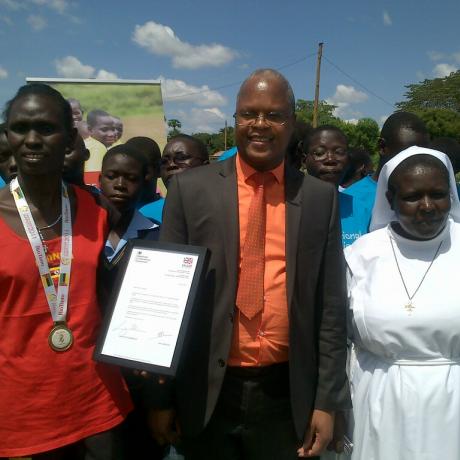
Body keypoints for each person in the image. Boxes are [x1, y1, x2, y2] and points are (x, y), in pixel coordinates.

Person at [154, 69, 350, 460]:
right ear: (236, 118)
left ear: (292, 124)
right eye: (248, 114)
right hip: (206, 389)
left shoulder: (318, 198)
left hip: (286, 392)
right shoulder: (190, 190)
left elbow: (330, 308)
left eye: (274, 115)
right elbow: (164, 300)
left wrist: (327, 402)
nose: (259, 125)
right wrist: (160, 396)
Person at [0, 83, 132, 459]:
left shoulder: (100, 212)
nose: (31, 140)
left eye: (45, 128)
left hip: (98, 406)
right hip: (21, 417)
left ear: (71, 138)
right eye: (19, 128)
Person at [345, 146, 460, 459]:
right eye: (412, 197)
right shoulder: (361, 254)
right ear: (390, 199)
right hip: (380, 401)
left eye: (438, 194)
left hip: (452, 404)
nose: (427, 207)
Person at [98, 144, 161, 459]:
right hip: (93, 375)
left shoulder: (159, 237)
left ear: (145, 181)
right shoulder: (79, 235)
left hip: (139, 376)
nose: (120, 185)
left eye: (131, 178)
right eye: (112, 176)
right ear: (100, 179)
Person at [344, 112, 430, 227]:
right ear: (382, 147)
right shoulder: (349, 201)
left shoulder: (431, 201)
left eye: (422, 154)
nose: (415, 161)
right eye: (405, 154)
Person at [302, 125, 370, 247]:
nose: (330, 159)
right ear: (304, 160)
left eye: (339, 152)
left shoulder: (364, 209)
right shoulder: (288, 207)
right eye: (319, 153)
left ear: (348, 160)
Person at [139, 135, 209, 224]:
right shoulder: (145, 216)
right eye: (164, 161)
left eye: (181, 158)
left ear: (205, 166)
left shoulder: (227, 210)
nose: (171, 165)